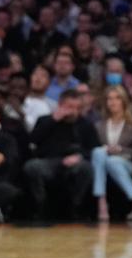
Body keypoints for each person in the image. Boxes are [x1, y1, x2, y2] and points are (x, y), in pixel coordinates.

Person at [23, 88, 97, 220]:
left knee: (85, 168)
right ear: (60, 105)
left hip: (74, 162)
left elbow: (94, 149)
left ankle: (76, 208)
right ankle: (41, 207)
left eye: (77, 108)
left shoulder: (86, 124)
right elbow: (33, 140)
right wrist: (53, 120)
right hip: (49, 161)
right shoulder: (45, 120)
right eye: (69, 107)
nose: (73, 111)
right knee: (32, 167)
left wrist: (80, 157)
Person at [91, 86, 132, 223]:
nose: (113, 102)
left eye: (117, 98)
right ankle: (102, 200)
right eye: (109, 99)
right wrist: (106, 150)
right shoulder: (99, 125)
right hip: (103, 162)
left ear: (124, 101)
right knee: (98, 151)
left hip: (128, 162)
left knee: (113, 161)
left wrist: (120, 150)